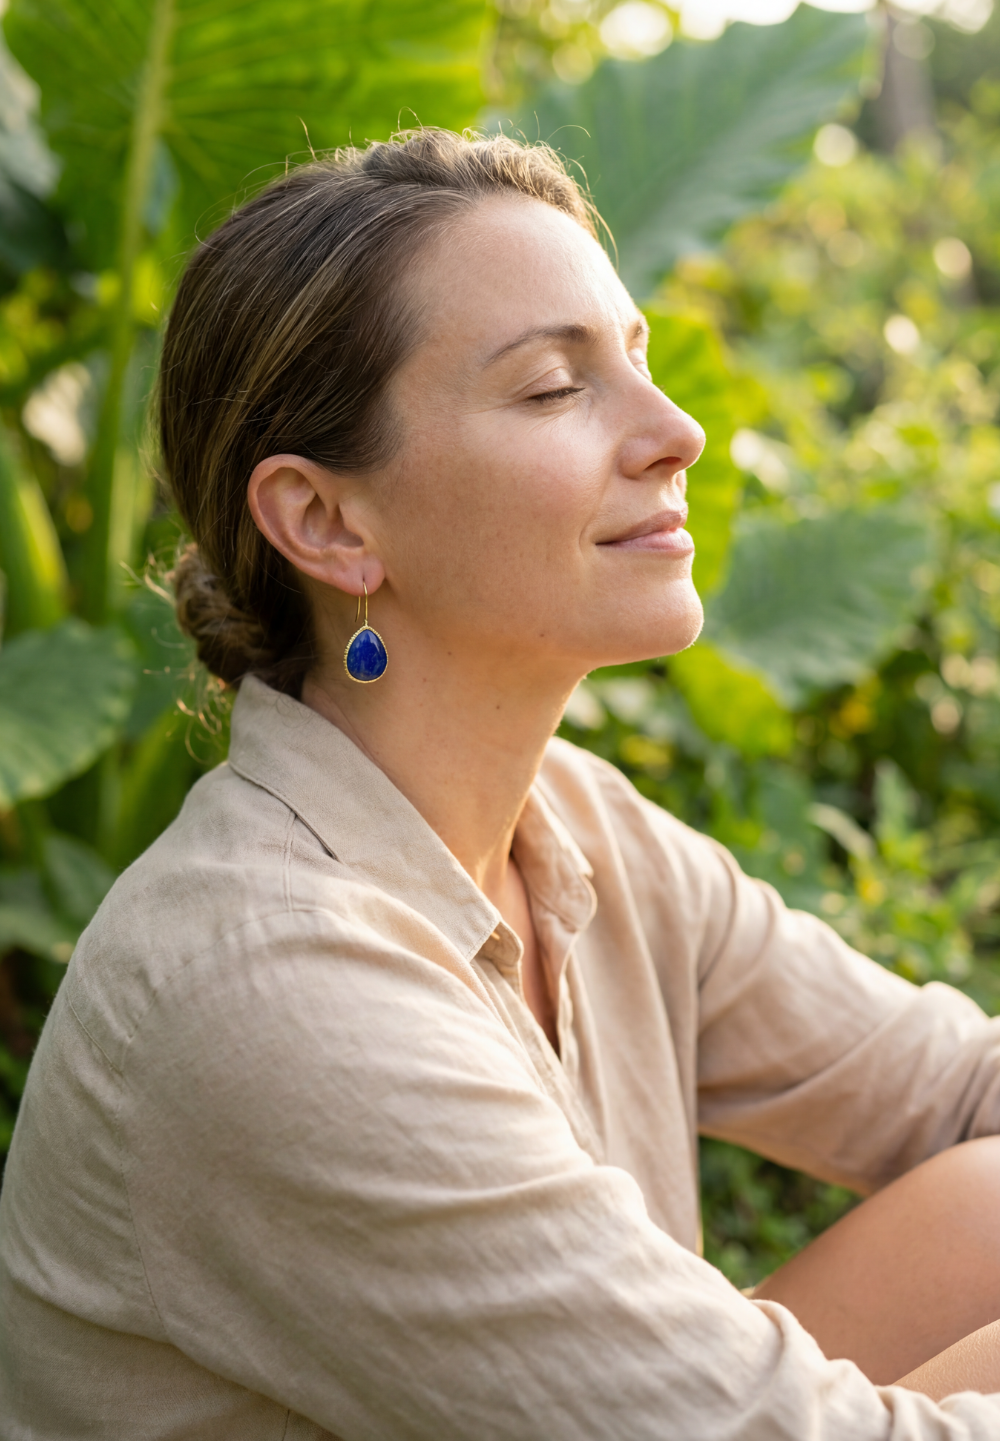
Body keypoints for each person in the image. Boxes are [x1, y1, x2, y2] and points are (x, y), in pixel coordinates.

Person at [3, 129, 1000, 1439]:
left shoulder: (576, 828)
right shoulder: (265, 983)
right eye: (552, 389)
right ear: (327, 523)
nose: (678, 432)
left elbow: (955, 1088)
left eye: (635, 360)